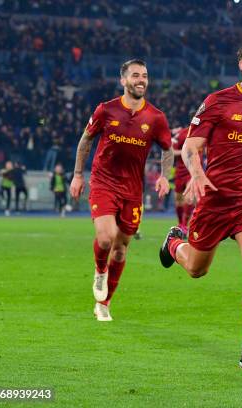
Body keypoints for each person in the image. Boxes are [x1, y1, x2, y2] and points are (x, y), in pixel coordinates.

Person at [159, 33, 242, 371]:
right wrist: (197, 174)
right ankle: (173, 244)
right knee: (198, 269)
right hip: (215, 199)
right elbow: (190, 148)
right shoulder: (218, 101)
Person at [69, 59, 174, 322]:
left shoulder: (156, 117)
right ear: (123, 80)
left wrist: (164, 176)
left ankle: (104, 303)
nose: (141, 80)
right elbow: (86, 140)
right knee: (106, 239)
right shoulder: (106, 110)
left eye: (145, 76)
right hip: (104, 183)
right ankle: (100, 270)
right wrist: (78, 175)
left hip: (132, 191)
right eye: (136, 75)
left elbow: (167, 149)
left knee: (120, 249)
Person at [172, 126, 195, 237]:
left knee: (189, 198)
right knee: (178, 200)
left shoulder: (203, 134)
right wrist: (184, 151)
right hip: (180, 171)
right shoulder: (181, 134)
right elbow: (171, 151)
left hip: (193, 171)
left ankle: (185, 226)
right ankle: (181, 224)